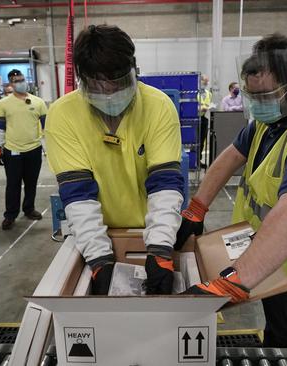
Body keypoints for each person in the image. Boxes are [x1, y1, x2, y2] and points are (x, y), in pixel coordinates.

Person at [178, 34, 287, 348]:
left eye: (267, 95)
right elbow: (230, 157)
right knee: (275, 319)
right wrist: (197, 208)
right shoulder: (270, 118)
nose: (259, 104)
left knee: (285, 326)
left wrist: (235, 282)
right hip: (260, 245)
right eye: (253, 95)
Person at [45, 24, 184, 296]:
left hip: (149, 229)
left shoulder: (158, 106)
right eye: (97, 85)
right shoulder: (62, 115)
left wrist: (160, 249)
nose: (109, 93)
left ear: (134, 70)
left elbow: (165, 184)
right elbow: (78, 195)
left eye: (117, 82)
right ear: (82, 80)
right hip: (95, 235)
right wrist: (99, 259)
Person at [0, 69, 47, 230]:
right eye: (16, 81)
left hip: (34, 149)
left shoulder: (38, 102)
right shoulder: (3, 104)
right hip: (12, 150)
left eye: (22, 79)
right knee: (13, 184)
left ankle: (29, 209)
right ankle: (10, 214)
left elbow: (48, 127)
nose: (20, 83)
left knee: (31, 182)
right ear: (10, 84)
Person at [197, 74, 212, 165]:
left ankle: (199, 160)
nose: (206, 83)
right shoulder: (194, 92)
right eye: (204, 81)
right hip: (194, 118)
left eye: (207, 81)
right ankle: (193, 160)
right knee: (194, 141)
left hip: (203, 118)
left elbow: (208, 104)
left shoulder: (208, 94)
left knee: (202, 141)